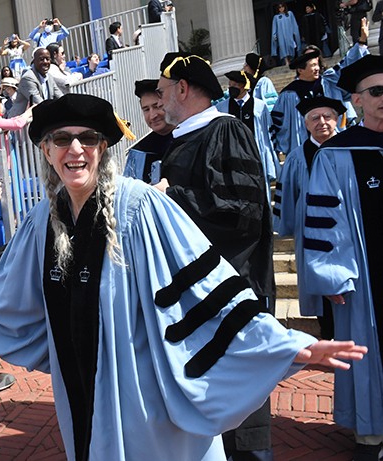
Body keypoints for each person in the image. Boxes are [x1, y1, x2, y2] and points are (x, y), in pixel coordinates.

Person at [0, 93, 366, 460]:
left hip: (145, 390)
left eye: (88, 139)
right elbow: (9, 291)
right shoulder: (43, 220)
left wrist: (290, 345)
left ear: (104, 148)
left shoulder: (141, 208)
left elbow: (209, 289)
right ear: (46, 151)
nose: (75, 150)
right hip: (77, 383)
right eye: (62, 140)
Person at [154, 52, 279, 459]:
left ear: (183, 89)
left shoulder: (226, 132)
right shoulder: (182, 139)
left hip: (232, 287)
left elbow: (243, 212)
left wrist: (171, 198)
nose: (158, 100)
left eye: (162, 91)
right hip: (195, 292)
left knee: (241, 400)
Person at [302, 55, 383, 460]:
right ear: (356, 101)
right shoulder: (336, 155)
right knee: (370, 354)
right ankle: (372, 435)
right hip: (367, 280)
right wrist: (332, 275)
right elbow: (323, 219)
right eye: (376, 91)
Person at [273, 96, 345, 341]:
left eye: (328, 117)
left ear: (338, 119)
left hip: (349, 234)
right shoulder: (296, 157)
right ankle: (328, 334)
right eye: (315, 118)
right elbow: (289, 197)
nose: (322, 122)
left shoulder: (352, 150)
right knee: (320, 294)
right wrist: (289, 228)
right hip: (312, 237)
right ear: (305, 124)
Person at [215, 70, 279, 199]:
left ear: (244, 86)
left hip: (255, 157)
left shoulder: (260, 107)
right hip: (230, 158)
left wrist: (270, 161)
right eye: (230, 85)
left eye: (235, 85)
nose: (231, 88)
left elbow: (267, 137)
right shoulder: (221, 108)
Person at [123, 79, 175, 183]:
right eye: (146, 109)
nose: (152, 115)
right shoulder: (138, 153)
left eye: (156, 107)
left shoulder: (191, 138)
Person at [7, 48, 64, 118]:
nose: (45, 62)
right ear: (34, 61)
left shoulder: (49, 77)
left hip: (40, 117)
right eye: (41, 59)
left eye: (47, 59)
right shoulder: (28, 78)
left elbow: (60, 96)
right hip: (21, 123)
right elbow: (39, 102)